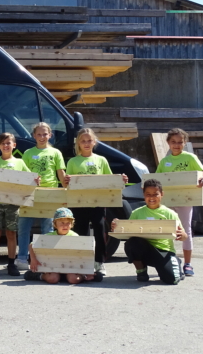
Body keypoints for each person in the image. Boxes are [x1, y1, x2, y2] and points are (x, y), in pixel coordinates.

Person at [63, 127, 128, 278]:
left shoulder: (101, 160)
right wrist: (66, 181)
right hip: (79, 205)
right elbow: (68, 184)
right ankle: (83, 263)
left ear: (94, 142)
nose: (86, 143)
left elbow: (110, 180)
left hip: (98, 204)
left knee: (100, 232)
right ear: (78, 143)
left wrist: (121, 179)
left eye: (89, 140)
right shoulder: (73, 161)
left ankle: (99, 262)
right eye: (83, 141)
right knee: (81, 233)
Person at [0, 132, 38, 278]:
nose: (6, 146)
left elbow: (29, 179)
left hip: (13, 204)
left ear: (14, 145)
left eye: (8, 143)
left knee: (11, 233)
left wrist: (35, 181)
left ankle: (11, 263)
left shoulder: (20, 163)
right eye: (3, 143)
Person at [155, 128, 203, 277]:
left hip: (185, 200)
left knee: (186, 230)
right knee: (166, 230)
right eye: (173, 142)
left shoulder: (190, 158)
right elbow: (157, 180)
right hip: (167, 201)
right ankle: (168, 260)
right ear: (168, 143)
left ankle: (187, 264)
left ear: (184, 143)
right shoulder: (165, 161)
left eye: (180, 142)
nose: (177, 145)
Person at [113, 179, 186, 285]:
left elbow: (183, 236)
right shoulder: (136, 213)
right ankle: (141, 271)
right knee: (132, 243)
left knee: (172, 280)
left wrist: (183, 235)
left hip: (163, 251)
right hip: (145, 250)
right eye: (148, 194)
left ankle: (175, 262)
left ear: (162, 194)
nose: (151, 198)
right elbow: (127, 231)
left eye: (155, 194)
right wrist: (117, 226)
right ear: (143, 195)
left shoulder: (170, 214)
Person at [16, 122, 67, 271]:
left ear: (50, 135)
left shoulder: (56, 153)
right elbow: (23, 174)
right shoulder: (28, 153)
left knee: (47, 227)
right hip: (29, 193)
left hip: (50, 193)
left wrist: (66, 189)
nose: (42, 137)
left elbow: (61, 174)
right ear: (33, 136)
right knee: (24, 226)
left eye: (45, 134)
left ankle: (45, 258)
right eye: (39, 134)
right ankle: (22, 258)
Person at [24, 207, 96, 284]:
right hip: (53, 268)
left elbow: (84, 253)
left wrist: (87, 270)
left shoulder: (75, 237)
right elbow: (32, 245)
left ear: (71, 224)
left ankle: (86, 277)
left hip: (70, 268)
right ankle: (38, 276)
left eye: (68, 223)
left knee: (74, 279)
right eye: (62, 223)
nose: (65, 226)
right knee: (52, 279)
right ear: (55, 224)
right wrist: (33, 259)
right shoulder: (49, 236)